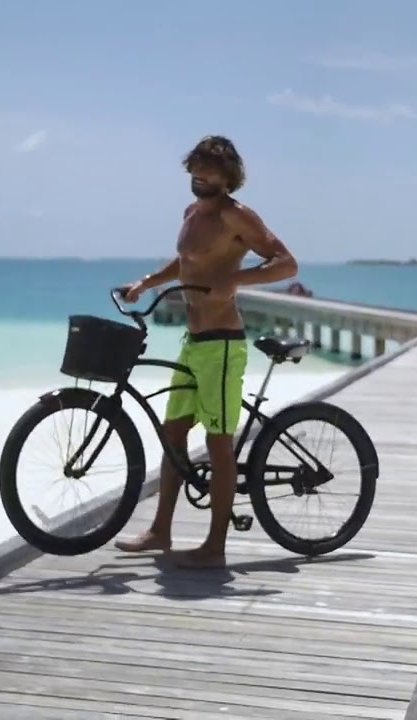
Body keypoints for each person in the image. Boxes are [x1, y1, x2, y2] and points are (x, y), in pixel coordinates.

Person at [114, 135, 299, 569]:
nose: (200, 176)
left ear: (228, 176)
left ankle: (215, 546)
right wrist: (147, 282)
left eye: (209, 170)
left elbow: (286, 263)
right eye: (195, 167)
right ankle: (160, 531)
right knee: (174, 435)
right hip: (193, 342)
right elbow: (187, 263)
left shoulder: (239, 217)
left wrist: (235, 281)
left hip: (222, 345)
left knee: (218, 443)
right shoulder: (191, 213)